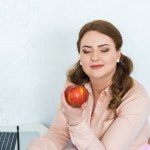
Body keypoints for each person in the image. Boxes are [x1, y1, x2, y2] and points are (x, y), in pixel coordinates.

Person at [27, 20, 150, 150]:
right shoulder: (74, 84)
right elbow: (59, 132)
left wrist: (76, 121)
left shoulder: (136, 98)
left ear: (117, 54)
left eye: (104, 50)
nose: (94, 57)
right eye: (86, 51)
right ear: (80, 57)